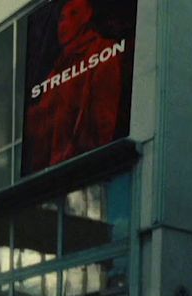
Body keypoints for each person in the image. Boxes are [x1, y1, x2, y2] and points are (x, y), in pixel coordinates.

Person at [25, 0, 127, 171]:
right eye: (62, 18)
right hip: (55, 173)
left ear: (87, 17)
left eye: (74, 14)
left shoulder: (103, 50)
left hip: (85, 169)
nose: (64, 24)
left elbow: (104, 121)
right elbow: (41, 121)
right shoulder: (58, 69)